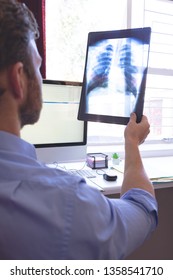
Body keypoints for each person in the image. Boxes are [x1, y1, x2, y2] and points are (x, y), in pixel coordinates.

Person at [0, 0, 158, 260]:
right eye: (38, 67)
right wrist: (131, 142)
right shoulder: (64, 201)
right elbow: (142, 209)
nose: (40, 78)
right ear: (19, 79)